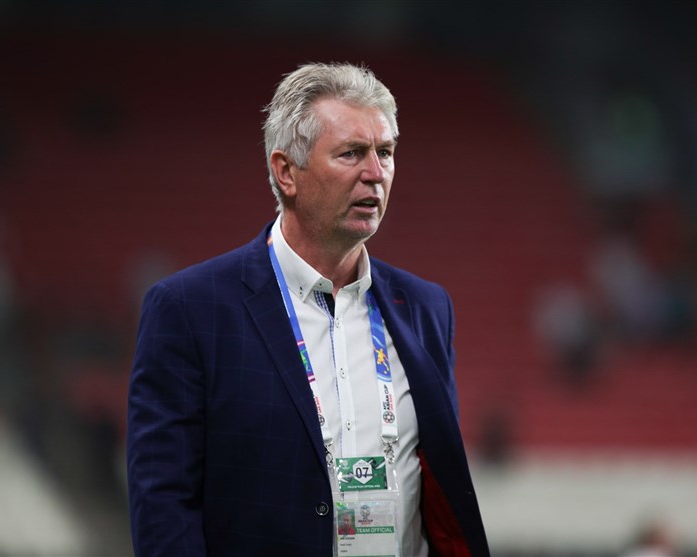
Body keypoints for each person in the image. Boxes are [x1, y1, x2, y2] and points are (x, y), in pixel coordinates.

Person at [126, 62, 490, 557]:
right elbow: (163, 506)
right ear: (286, 172)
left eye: (385, 152)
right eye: (351, 153)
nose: (375, 173)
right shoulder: (190, 310)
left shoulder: (426, 308)